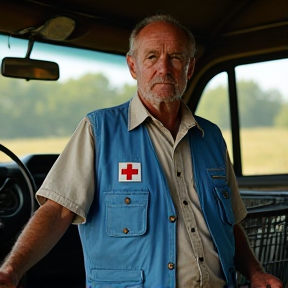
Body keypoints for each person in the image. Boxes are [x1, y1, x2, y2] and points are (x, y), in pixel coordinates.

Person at [0, 14, 283, 288]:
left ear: (190, 67)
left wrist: (256, 272)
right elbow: (58, 211)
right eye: (151, 57)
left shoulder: (211, 137)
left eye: (175, 57)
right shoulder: (98, 130)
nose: (164, 68)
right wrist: (11, 270)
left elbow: (230, 224)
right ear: (133, 66)